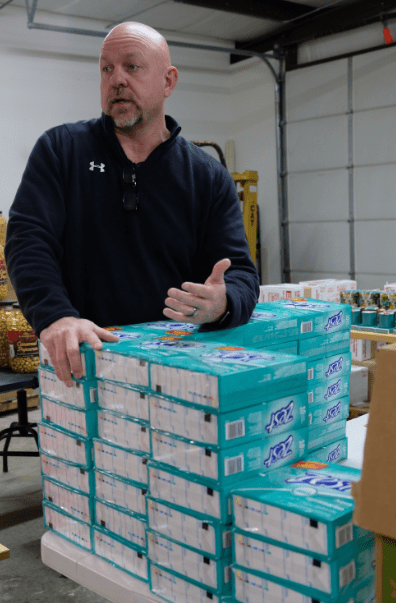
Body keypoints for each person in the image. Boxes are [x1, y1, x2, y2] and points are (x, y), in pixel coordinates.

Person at [5, 22, 260, 388]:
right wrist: (56, 317)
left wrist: (223, 303)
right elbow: (28, 241)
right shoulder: (61, 151)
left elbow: (241, 276)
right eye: (106, 69)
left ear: (168, 81)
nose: (116, 79)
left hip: (177, 373)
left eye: (132, 66)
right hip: (81, 365)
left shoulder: (207, 176)